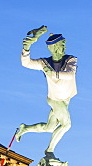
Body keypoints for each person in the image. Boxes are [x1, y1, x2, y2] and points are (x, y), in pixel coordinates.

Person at [17, 26, 77, 156]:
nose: (63, 49)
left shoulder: (70, 59)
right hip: (55, 100)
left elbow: (70, 74)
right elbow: (26, 63)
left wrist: (53, 73)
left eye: (63, 46)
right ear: (53, 48)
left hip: (65, 100)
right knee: (66, 125)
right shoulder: (44, 63)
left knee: (50, 128)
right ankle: (49, 151)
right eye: (61, 46)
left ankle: (25, 128)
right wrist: (26, 49)